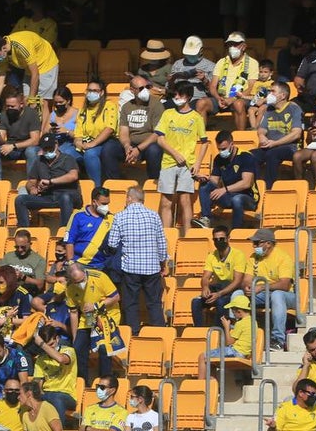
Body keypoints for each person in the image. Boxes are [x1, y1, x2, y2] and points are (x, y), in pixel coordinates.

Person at [106, 185, 167, 332]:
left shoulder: (120, 216)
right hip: (152, 267)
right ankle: (159, 333)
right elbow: (162, 243)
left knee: (131, 303)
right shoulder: (154, 215)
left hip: (130, 267)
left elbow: (112, 244)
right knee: (154, 303)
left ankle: (133, 333)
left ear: (129, 198)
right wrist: (162, 262)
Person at [155, 82, 209, 231]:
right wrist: (174, 153)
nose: (177, 97)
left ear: (189, 96)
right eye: (175, 94)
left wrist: (198, 164)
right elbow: (160, 138)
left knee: (185, 201)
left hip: (188, 166)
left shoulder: (196, 117)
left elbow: (204, 142)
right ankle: (166, 238)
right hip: (168, 163)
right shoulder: (168, 114)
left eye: (180, 94)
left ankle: (187, 235)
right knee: (166, 202)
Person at [236, 227, 296, 351]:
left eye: (257, 243)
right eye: (253, 243)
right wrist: (248, 287)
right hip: (262, 293)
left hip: (287, 296)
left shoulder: (283, 257)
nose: (254, 246)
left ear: (268, 243)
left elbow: (285, 285)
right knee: (237, 294)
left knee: (277, 295)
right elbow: (247, 279)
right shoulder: (254, 257)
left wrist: (262, 287)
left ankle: (278, 340)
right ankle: (238, 336)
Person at [63, 262, 121, 386]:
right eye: (76, 282)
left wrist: (96, 306)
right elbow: (73, 313)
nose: (80, 284)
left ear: (84, 273)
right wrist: (75, 337)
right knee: (77, 348)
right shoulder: (69, 288)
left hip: (106, 317)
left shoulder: (100, 277)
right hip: (87, 320)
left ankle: (105, 381)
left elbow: (116, 297)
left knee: (104, 348)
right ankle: (83, 382)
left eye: (81, 280)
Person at [15, 135, 82, 229]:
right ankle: (24, 231)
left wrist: (51, 182)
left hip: (69, 195)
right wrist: (32, 188)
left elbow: (73, 176)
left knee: (65, 197)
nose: (48, 151)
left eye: (50, 148)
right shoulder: (39, 161)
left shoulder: (67, 159)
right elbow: (31, 181)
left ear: (56, 145)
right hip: (49, 197)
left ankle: (64, 231)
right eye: (45, 149)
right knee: (20, 200)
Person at [252, 80, 303, 190]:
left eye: (273, 91)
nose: (270, 95)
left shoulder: (294, 109)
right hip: (270, 145)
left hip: (290, 147)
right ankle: (254, 188)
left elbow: (296, 134)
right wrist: (261, 136)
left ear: (283, 95)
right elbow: (262, 129)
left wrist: (275, 143)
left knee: (272, 154)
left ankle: (268, 189)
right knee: (249, 156)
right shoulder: (269, 109)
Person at [0, 30, 60, 104]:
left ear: (3, 48)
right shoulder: (3, 54)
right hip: (30, 67)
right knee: (26, 100)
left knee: (43, 101)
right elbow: (0, 82)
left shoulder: (21, 46)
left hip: (46, 63)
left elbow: (35, 73)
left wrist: (32, 99)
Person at [192, 225, 247, 327]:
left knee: (221, 302)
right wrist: (205, 287)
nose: (218, 241)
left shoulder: (238, 255)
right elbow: (205, 277)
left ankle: (218, 332)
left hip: (233, 288)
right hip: (219, 287)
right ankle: (199, 331)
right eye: (215, 239)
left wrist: (219, 294)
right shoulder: (212, 256)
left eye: (221, 239)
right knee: (196, 302)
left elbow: (237, 281)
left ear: (228, 239)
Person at [210, 32, 263, 128]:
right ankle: (202, 139)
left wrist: (233, 99)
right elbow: (213, 86)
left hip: (241, 98)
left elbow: (251, 88)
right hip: (222, 98)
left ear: (244, 46)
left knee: (238, 104)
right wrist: (218, 98)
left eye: (235, 44)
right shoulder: (221, 62)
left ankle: (240, 137)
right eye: (230, 44)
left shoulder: (252, 63)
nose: (232, 47)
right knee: (201, 103)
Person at [0, 88, 42, 181]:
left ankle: (31, 182)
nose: (9, 108)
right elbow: (0, 141)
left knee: (32, 151)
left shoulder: (31, 114)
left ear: (21, 104)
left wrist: (13, 146)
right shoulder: (4, 115)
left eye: (12, 106)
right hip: (11, 148)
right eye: (7, 106)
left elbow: (35, 140)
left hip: (27, 147)